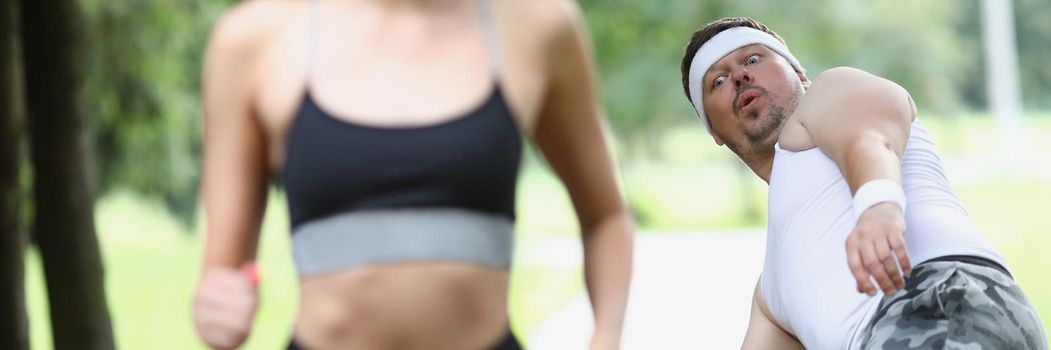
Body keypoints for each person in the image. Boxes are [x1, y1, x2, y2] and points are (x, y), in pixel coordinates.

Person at [192, 0, 635, 349]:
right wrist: (219, 307)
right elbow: (222, 274)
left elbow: (606, 217)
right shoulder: (253, 39)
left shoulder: (538, 24)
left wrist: (606, 338)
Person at [679, 17, 1047, 349]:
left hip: (940, 300)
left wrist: (877, 203)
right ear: (715, 132)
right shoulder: (771, 294)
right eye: (719, 81)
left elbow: (869, 137)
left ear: (800, 74)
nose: (741, 76)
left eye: (754, 59)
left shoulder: (831, 91)